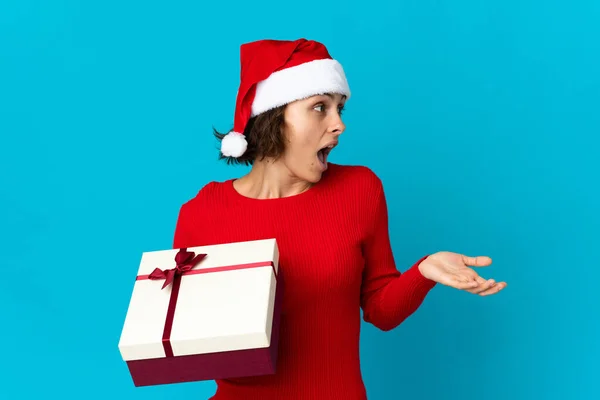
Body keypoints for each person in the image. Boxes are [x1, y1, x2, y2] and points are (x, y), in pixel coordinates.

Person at [172, 38, 507, 400]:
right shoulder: (202, 212)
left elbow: (381, 310)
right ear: (273, 117)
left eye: (340, 109)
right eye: (320, 107)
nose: (339, 124)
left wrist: (424, 271)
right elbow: (192, 347)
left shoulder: (359, 189)